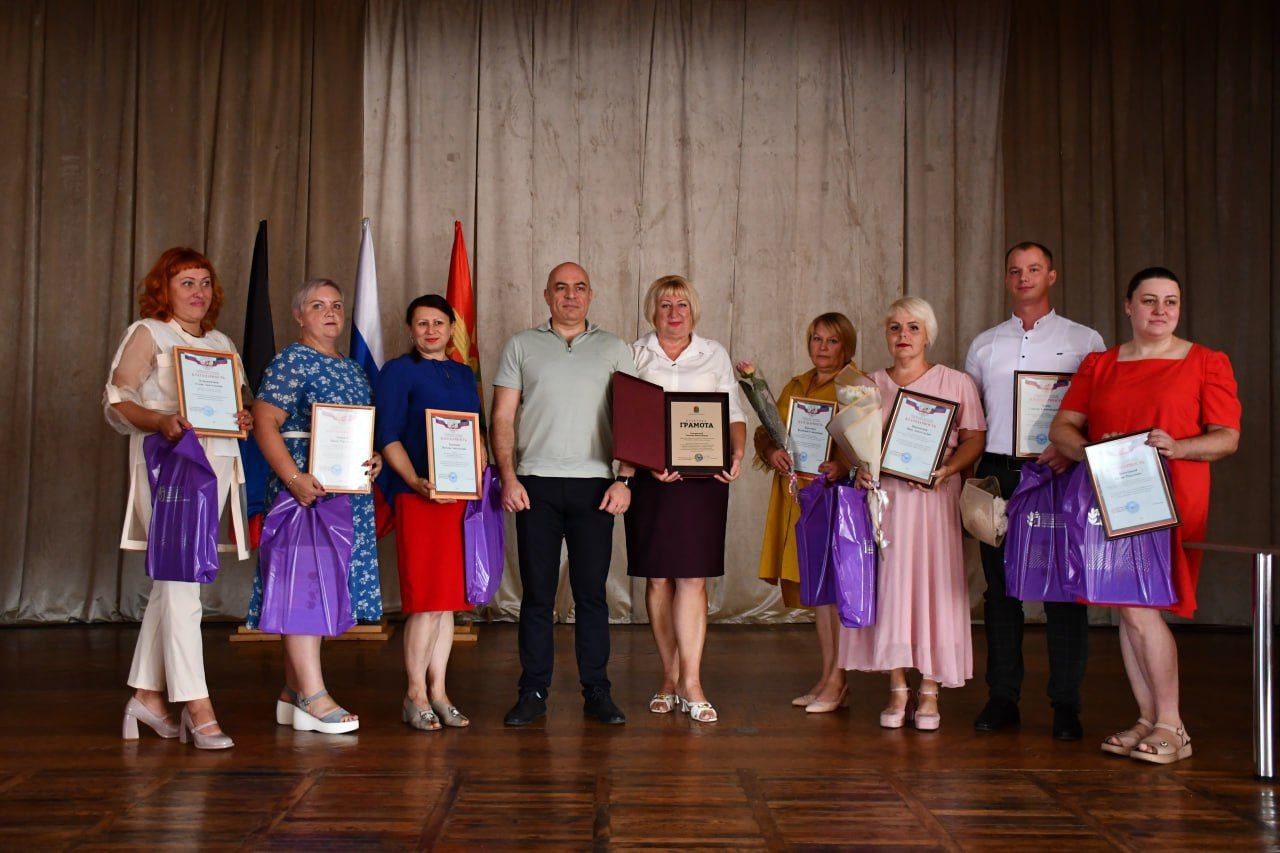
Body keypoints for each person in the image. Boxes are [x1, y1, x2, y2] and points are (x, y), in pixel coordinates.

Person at [1050, 266, 1240, 764]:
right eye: (1150, 300)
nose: (1161, 311)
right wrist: (1093, 449)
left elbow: (1226, 436)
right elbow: (1063, 428)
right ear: (1128, 305)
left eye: (1171, 301)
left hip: (1172, 499)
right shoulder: (1101, 364)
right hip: (1110, 496)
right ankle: (1148, 716)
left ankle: (1172, 725)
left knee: (1141, 608)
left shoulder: (1205, 362)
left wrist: (1178, 446)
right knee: (1125, 608)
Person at [106, 247, 251, 750]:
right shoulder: (149, 333)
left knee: (174, 582)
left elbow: (236, 403)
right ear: (164, 288)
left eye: (205, 282)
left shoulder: (220, 341)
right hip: (168, 469)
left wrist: (243, 417)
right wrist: (161, 421)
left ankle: (146, 696)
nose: (198, 292)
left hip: (216, 470)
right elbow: (117, 398)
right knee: (184, 584)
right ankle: (197, 705)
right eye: (186, 282)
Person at [963, 241, 1106, 741]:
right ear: (1006, 279)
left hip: (1060, 471)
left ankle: (1066, 704)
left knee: (1066, 590)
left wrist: (1072, 451)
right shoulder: (984, 344)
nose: (1024, 277)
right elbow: (973, 420)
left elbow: (1101, 410)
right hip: (1001, 470)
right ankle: (1003, 697)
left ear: (1052, 275)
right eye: (1015, 271)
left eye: (1034, 269)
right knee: (1001, 592)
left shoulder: (1085, 339)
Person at [492, 261, 637, 726]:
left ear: (590, 295)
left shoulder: (615, 348)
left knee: (591, 594)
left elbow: (634, 421)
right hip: (534, 485)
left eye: (579, 288)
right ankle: (533, 691)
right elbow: (502, 419)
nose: (570, 296)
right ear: (546, 295)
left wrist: (626, 478)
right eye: (561, 288)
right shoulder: (521, 345)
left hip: (597, 486)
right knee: (537, 595)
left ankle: (597, 691)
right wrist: (508, 477)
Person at [841, 297, 987, 730]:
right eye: (894, 327)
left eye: (913, 328)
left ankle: (930, 691)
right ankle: (898, 687)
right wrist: (859, 471)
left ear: (928, 335)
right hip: (886, 502)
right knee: (892, 589)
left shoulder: (956, 383)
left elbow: (974, 438)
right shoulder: (866, 384)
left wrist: (949, 469)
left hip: (934, 497)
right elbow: (850, 446)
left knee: (932, 587)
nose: (903, 336)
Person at [245, 278, 383, 734]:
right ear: (299, 316)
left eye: (337, 306)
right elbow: (265, 423)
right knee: (304, 588)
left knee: (321, 585)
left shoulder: (352, 369)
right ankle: (315, 696)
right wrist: (293, 479)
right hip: (303, 492)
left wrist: (372, 458)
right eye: (318, 305)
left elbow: (357, 429)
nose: (330, 313)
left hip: (345, 495)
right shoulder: (290, 361)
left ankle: (292, 692)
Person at [626, 276, 747, 723]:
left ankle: (693, 682)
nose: (674, 313)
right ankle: (669, 676)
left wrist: (735, 452)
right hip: (651, 480)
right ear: (651, 311)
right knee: (658, 580)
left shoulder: (714, 354)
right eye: (665, 305)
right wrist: (647, 460)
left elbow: (734, 414)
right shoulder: (634, 353)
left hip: (702, 481)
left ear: (694, 310)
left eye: (682, 304)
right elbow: (623, 416)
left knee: (694, 579)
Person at [376, 294, 483, 731]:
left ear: (450, 326)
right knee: (424, 601)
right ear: (410, 329)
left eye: (438, 322)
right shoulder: (398, 372)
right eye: (421, 323)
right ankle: (414, 693)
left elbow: (474, 432)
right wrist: (416, 480)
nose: (431, 331)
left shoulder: (462, 373)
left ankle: (439, 691)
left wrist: (477, 479)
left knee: (446, 604)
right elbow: (388, 435)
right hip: (419, 495)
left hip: (458, 498)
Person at [755, 312, 861, 713]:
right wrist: (771, 451)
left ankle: (838, 679)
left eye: (831, 341)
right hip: (800, 496)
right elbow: (768, 431)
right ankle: (828, 675)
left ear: (846, 346)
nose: (822, 347)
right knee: (819, 593)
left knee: (835, 591)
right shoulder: (797, 385)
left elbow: (868, 443)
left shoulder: (856, 386)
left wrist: (844, 465)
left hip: (836, 498)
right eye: (816, 339)